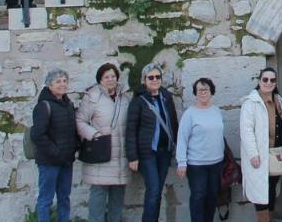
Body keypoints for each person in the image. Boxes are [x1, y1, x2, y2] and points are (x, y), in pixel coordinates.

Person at [241, 67, 282, 222]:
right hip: (259, 156)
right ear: (259, 81)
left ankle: (270, 219)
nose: (269, 82)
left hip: (275, 155)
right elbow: (246, 131)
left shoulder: (279, 100)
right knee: (260, 193)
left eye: (272, 80)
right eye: (265, 79)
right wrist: (253, 154)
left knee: (271, 189)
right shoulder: (250, 103)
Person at [76, 62, 129, 222]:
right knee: (98, 198)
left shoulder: (124, 98)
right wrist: (95, 135)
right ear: (100, 79)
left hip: (120, 157)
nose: (110, 79)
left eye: (113, 76)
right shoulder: (92, 97)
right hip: (101, 153)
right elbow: (80, 121)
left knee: (117, 199)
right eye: (106, 77)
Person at [126, 62, 179, 222]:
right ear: (144, 80)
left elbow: (173, 123)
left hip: (164, 152)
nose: (155, 80)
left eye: (157, 76)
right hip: (147, 153)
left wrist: (178, 147)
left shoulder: (166, 97)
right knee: (154, 189)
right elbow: (131, 129)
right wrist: (132, 157)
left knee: (157, 191)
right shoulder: (138, 101)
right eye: (151, 77)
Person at [31, 69, 78, 222]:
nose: (62, 84)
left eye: (64, 81)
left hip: (66, 161)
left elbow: (72, 131)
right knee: (46, 199)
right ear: (50, 85)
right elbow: (38, 135)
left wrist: (75, 147)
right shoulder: (43, 106)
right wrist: (56, 152)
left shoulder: (68, 105)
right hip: (49, 162)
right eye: (58, 81)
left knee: (64, 198)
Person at [177, 77, 227, 222]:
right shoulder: (190, 114)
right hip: (196, 164)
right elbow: (182, 139)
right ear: (195, 92)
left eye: (206, 89)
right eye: (200, 90)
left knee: (212, 196)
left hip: (216, 163)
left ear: (211, 92)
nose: (203, 92)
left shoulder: (216, 111)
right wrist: (181, 162)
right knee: (198, 196)